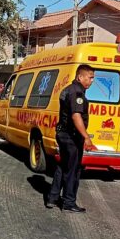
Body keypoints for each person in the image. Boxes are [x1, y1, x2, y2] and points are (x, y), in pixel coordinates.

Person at [47, 64, 94, 213]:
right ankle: (69, 202)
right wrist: (86, 137)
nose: (92, 81)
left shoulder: (69, 89)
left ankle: (52, 198)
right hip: (71, 136)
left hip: (64, 134)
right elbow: (76, 116)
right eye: (90, 77)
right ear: (80, 77)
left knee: (63, 167)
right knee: (73, 170)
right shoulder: (77, 92)